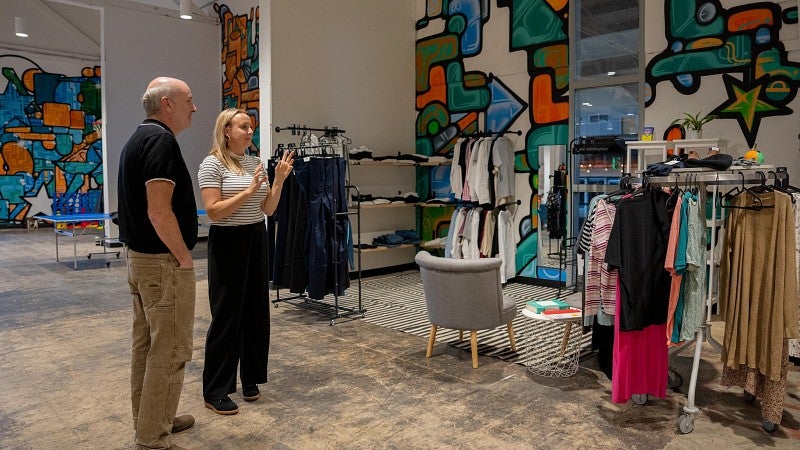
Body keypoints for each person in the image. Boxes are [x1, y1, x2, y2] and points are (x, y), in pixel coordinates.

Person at [117, 77, 199, 449]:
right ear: (167, 104)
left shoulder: (138, 138)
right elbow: (158, 210)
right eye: (188, 101)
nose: (193, 108)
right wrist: (184, 257)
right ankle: (152, 437)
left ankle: (152, 420)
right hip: (161, 264)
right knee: (169, 350)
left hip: (140, 262)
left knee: (147, 347)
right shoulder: (161, 141)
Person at [198, 108, 294, 415]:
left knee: (255, 312)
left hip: (256, 237)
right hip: (227, 241)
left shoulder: (255, 163)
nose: (249, 131)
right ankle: (216, 389)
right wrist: (250, 190)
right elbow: (214, 211)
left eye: (251, 127)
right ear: (226, 130)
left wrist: (277, 181)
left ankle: (250, 377)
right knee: (227, 316)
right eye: (243, 127)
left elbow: (267, 209)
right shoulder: (212, 164)